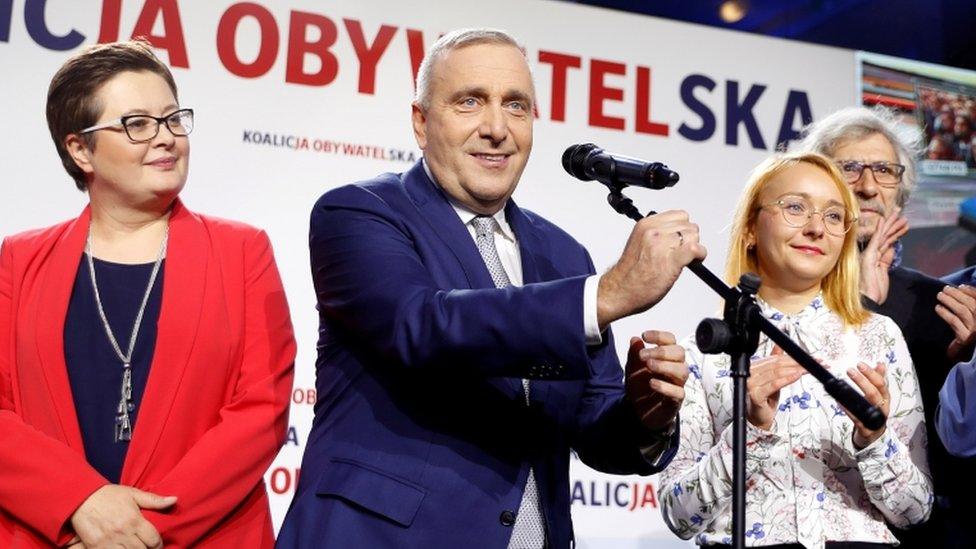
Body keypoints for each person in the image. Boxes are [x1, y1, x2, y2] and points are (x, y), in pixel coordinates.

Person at [276, 28, 704, 548]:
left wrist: (643, 412)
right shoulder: (360, 213)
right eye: (470, 102)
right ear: (421, 122)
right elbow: (423, 326)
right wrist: (605, 296)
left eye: (516, 106)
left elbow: (593, 426)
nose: (497, 128)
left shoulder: (562, 255)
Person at [0, 40, 296, 548]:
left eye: (173, 119)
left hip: (202, 537)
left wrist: (138, 535)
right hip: (50, 537)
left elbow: (260, 411)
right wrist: (77, 504)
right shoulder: (19, 260)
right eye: (137, 124)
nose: (166, 139)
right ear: (79, 149)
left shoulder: (242, 250)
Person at [659, 152, 932, 548]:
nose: (816, 228)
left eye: (834, 216)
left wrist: (873, 439)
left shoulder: (880, 338)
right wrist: (750, 431)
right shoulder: (703, 355)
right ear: (751, 228)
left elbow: (916, 511)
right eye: (795, 207)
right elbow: (679, 516)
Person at [795, 106, 976, 548]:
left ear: (901, 194)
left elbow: (952, 460)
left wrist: (971, 361)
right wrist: (862, 305)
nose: (868, 185)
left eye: (884, 170)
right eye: (850, 168)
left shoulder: (944, 307)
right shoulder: (780, 299)